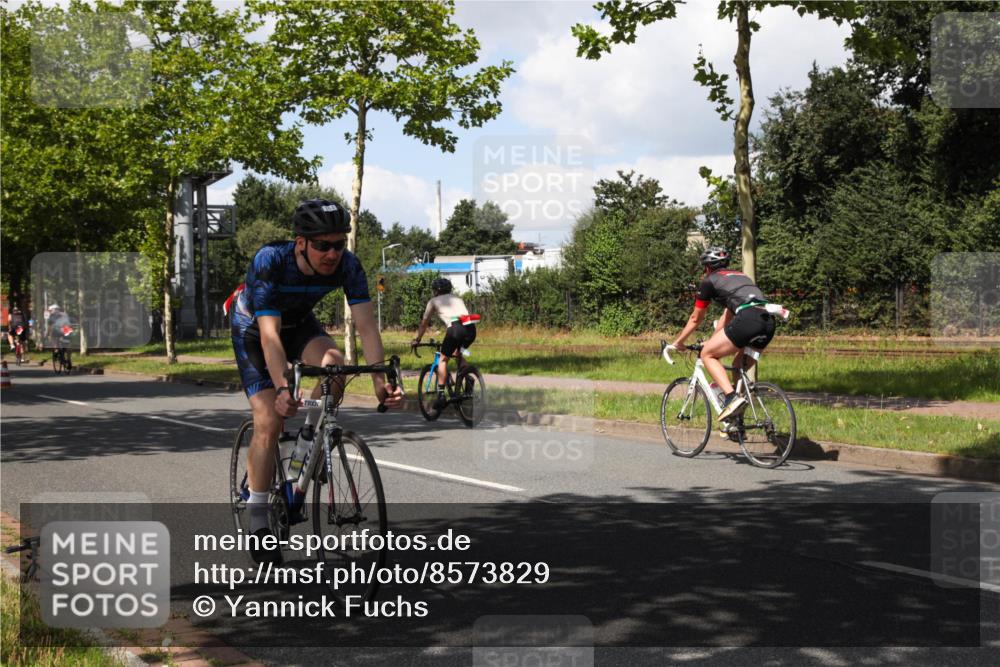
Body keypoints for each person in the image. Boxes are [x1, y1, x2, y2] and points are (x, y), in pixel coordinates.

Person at [229, 198, 403, 563]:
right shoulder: (271, 261)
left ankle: (303, 451)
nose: (332, 253)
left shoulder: (349, 266)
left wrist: (377, 382)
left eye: (339, 244)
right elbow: (270, 337)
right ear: (301, 243)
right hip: (255, 329)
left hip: (299, 326)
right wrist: (281, 389)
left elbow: (367, 327)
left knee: (334, 365)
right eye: (322, 245)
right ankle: (259, 517)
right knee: (270, 418)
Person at [671, 248, 776, 422]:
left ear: (707, 268)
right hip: (768, 321)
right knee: (737, 366)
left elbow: (696, 318)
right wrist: (712, 341)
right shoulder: (741, 277)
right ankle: (737, 422)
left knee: (707, 354)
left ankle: (731, 397)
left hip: (748, 319)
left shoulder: (709, 281)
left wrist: (678, 342)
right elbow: (726, 318)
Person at [411, 277, 479, 411]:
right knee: (457, 352)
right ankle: (468, 378)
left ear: (435, 291)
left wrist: (417, 339)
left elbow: (424, 324)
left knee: (443, 360)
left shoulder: (433, 301)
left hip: (455, 328)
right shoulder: (457, 299)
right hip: (470, 327)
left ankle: (441, 396)